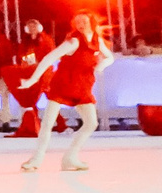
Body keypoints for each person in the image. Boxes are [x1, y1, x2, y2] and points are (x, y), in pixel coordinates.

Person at [23, 11, 113, 172]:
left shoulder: (97, 41)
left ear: (91, 22)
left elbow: (110, 57)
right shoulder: (73, 41)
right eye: (78, 22)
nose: (80, 24)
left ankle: (70, 157)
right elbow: (49, 58)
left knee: (91, 123)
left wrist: (101, 66)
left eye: (84, 21)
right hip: (63, 84)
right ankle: (36, 158)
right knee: (48, 123)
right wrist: (33, 79)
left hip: (83, 86)